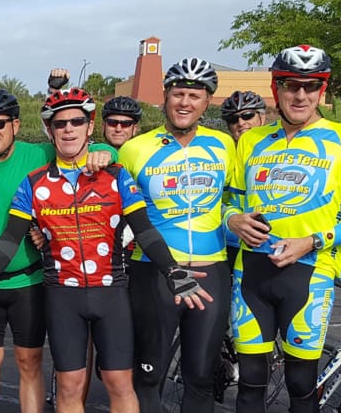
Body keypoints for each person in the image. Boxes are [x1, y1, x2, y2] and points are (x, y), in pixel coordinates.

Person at [0, 88, 212, 413]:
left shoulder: (116, 176)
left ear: (90, 126)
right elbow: (9, 239)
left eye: (77, 121)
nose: (68, 129)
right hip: (63, 296)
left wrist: (172, 270)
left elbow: (145, 230)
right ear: (50, 130)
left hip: (112, 293)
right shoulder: (34, 183)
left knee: (119, 382)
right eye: (60, 123)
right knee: (69, 385)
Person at [0, 88, 116, 413]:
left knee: (29, 362)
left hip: (30, 281)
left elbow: (81, 145)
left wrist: (106, 152)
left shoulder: (38, 155)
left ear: (16, 125)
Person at [226, 45, 341, 413]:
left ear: (322, 90)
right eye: (291, 85)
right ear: (276, 89)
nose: (300, 95)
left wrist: (312, 241)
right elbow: (230, 205)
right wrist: (233, 219)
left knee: (302, 386)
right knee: (250, 385)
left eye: (311, 86)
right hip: (251, 274)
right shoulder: (252, 141)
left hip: (310, 273)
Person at [118, 57, 237, 413]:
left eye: (195, 96)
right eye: (179, 94)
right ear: (166, 97)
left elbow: (234, 201)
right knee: (149, 375)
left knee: (200, 377)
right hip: (154, 273)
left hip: (211, 270)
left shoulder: (225, 145)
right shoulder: (134, 149)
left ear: (207, 102)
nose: (185, 103)